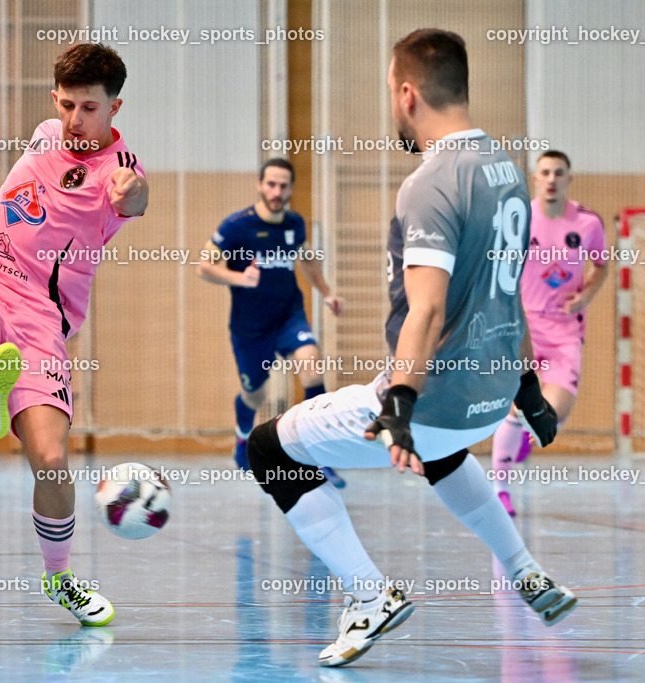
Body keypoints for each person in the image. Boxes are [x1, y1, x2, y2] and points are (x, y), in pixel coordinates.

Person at [245, 29, 577, 667]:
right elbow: (504, 292)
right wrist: (529, 386)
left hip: (430, 402)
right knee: (448, 458)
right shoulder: (508, 170)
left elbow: (426, 307)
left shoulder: (430, 183)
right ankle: (526, 570)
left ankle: (369, 596)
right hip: (488, 398)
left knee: (268, 449)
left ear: (407, 93)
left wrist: (397, 405)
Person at [0, 43, 148, 626]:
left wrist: (133, 195)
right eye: (68, 105)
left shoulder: (120, 175)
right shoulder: (45, 133)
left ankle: (60, 578)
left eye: (90, 109)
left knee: (51, 460)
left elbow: (138, 198)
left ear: (114, 108)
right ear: (56, 101)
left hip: (40, 316)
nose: (77, 121)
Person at [197, 158, 346, 487]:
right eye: (271, 184)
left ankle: (317, 455)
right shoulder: (237, 226)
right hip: (250, 328)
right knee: (254, 395)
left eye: (283, 186)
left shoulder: (294, 223)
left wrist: (326, 293)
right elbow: (204, 267)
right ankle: (241, 439)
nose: (277, 191)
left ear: (291, 189)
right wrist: (239, 278)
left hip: (288, 316)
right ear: (260, 185)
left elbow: (306, 259)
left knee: (312, 366)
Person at [490, 150, 608, 516]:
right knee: (516, 409)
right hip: (523, 330)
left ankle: (527, 433)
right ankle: (500, 489)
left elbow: (601, 266)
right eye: (545, 172)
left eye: (559, 172)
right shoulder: (518, 218)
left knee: (552, 413)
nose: (552, 178)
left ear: (568, 179)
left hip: (564, 334)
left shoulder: (587, 223)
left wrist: (585, 295)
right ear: (536, 178)